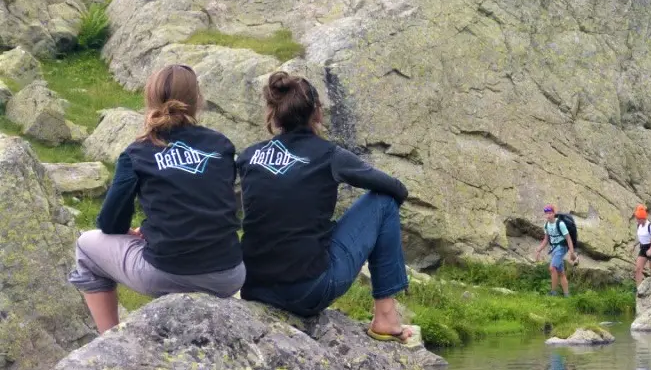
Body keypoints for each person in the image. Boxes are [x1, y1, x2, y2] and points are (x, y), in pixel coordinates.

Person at [67, 64, 245, 333]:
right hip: (230, 274)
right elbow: (207, 201)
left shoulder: (137, 152)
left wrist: (142, 231)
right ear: (197, 99)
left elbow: (110, 223)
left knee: (85, 246)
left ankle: (110, 338)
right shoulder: (221, 145)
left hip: (165, 272)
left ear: (149, 99)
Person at [238, 71, 412, 342]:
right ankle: (386, 317)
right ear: (317, 113)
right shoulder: (329, 154)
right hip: (307, 290)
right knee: (384, 202)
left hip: (253, 287)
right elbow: (395, 188)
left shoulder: (249, 156)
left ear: (273, 113)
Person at [533, 204, 576, 296]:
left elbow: (568, 238)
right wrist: (538, 250)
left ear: (554, 213)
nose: (548, 215)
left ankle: (553, 292)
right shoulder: (546, 225)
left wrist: (572, 252)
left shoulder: (560, 224)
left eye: (550, 213)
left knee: (552, 268)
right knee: (561, 273)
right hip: (554, 249)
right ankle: (567, 295)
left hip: (562, 247)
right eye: (546, 213)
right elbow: (546, 239)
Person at [633, 205, 651, 286]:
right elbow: (642, 237)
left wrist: (650, 250)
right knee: (638, 268)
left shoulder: (650, 226)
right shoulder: (639, 225)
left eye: (638, 218)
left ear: (642, 218)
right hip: (643, 249)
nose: (636, 220)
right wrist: (634, 245)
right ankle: (639, 289)